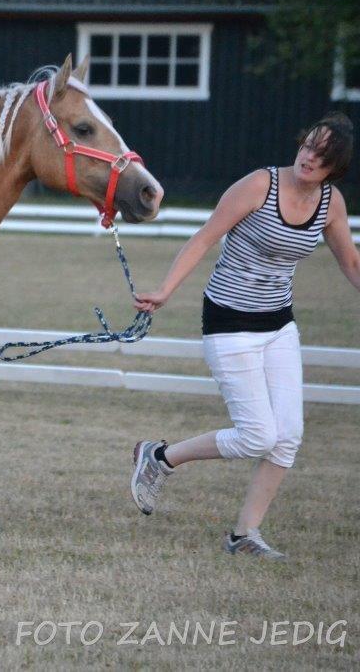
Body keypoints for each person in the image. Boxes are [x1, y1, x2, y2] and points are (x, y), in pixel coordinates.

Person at [129, 112, 359, 560]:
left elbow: (350, 262)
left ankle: (243, 536)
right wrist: (165, 290)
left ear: (336, 166)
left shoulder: (330, 203)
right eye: (308, 145)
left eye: (322, 154)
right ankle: (159, 458)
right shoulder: (259, 185)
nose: (309, 157)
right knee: (257, 436)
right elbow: (203, 238)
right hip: (229, 322)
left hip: (279, 326)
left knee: (287, 436)